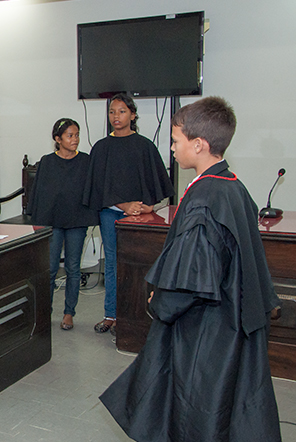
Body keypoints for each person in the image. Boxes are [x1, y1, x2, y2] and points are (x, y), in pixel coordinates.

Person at [100, 97, 281, 441]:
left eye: (175, 140)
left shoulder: (204, 200)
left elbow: (191, 279)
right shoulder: (233, 187)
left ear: (198, 145)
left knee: (196, 414)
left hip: (207, 331)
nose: (172, 148)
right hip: (232, 321)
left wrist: (159, 301)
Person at [82, 93, 174, 333]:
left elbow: (157, 183)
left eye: (122, 111)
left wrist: (148, 206)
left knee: (138, 263)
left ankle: (135, 316)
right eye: (112, 112)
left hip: (138, 217)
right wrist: (123, 205)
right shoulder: (101, 148)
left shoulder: (144, 146)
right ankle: (111, 315)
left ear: (132, 115)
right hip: (110, 214)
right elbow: (98, 186)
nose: (116, 116)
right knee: (113, 263)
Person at [27, 119, 99, 330]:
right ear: (58, 139)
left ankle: (69, 313)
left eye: (77, 135)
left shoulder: (86, 161)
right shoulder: (47, 162)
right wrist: (37, 219)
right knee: (50, 269)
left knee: (73, 268)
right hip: (53, 221)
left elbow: (92, 190)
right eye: (70, 136)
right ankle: (45, 312)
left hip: (77, 220)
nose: (75, 139)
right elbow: (39, 193)